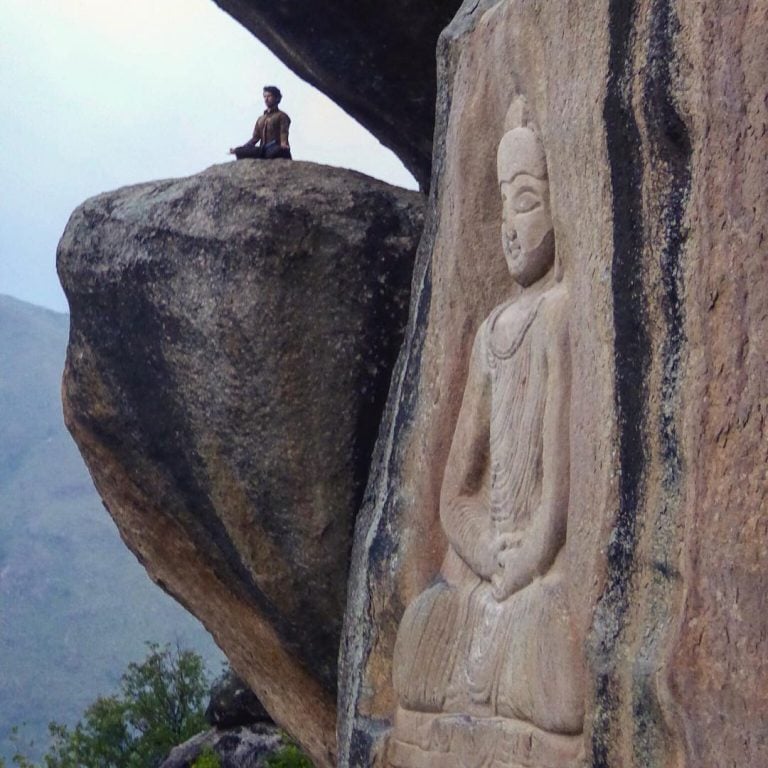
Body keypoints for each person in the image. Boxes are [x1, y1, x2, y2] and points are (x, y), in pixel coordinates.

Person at [387, 99, 585, 767]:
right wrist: (482, 555)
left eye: (526, 203)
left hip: (532, 571)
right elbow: (455, 490)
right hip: (485, 564)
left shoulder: (558, 315)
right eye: (505, 208)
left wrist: (522, 565)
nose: (510, 228)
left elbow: (558, 492)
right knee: (420, 638)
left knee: (556, 667)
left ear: (559, 207)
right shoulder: (490, 329)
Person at [229, 85, 291, 160]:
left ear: (276, 98)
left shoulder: (282, 116)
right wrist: (242, 148)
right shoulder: (261, 119)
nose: (266, 99)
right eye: (265, 96)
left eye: (269, 96)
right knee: (240, 151)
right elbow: (255, 138)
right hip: (263, 149)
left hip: (276, 148)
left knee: (277, 151)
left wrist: (283, 143)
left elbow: (284, 132)